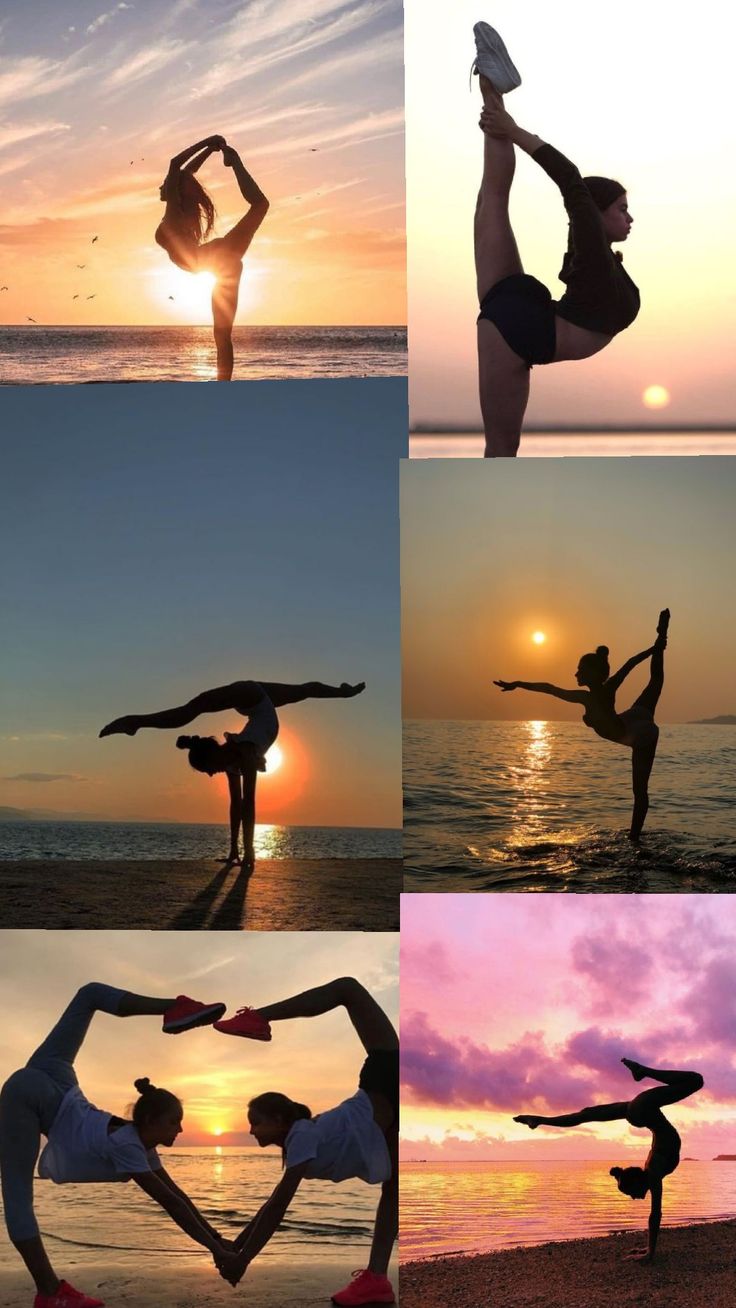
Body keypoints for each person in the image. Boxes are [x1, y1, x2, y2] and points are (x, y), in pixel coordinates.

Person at [0, 984, 230, 1308]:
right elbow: (172, 1204)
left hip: (57, 1073)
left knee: (90, 994)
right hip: (34, 1096)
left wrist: (219, 1242)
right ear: (150, 1121)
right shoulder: (129, 1147)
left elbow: (179, 1196)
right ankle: (49, 1293)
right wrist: (219, 1252)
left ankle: (175, 1007)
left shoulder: (142, 1146)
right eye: (173, 1121)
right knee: (17, 1198)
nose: (180, 1128)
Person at [472, 23, 639, 455]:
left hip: (527, 316)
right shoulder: (593, 250)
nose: (630, 217)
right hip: (521, 332)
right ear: (597, 215)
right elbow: (571, 182)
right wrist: (517, 133)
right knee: (501, 451)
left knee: (491, 201)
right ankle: (497, 101)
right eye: (621, 208)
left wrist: (507, 127)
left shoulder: (599, 260)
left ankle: (492, 85)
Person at [211, 977, 398, 1306]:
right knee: (393, 1192)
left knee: (348, 989)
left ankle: (259, 1017)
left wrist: (243, 1259)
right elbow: (270, 1206)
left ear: (279, 1120)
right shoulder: (300, 1139)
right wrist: (234, 1246)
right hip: (386, 1116)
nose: (251, 1131)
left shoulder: (301, 1136)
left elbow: (277, 1205)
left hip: (385, 1081)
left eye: (256, 1123)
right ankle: (376, 1279)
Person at [100, 678, 365, 869]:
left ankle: (135, 722)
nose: (211, 774)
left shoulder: (246, 753)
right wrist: (234, 851)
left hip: (249, 694)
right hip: (257, 701)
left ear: (214, 754)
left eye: (208, 769)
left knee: (193, 709)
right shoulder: (236, 759)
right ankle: (343, 692)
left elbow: (249, 804)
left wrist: (250, 852)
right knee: (303, 691)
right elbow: (236, 805)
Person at [494, 610, 669, 840]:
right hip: (632, 718)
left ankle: (634, 840)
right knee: (655, 682)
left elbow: (550, 688)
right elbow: (629, 664)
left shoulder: (589, 697)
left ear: (593, 674)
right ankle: (661, 636)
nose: (576, 673)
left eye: (580, 670)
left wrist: (517, 683)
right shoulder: (600, 691)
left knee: (640, 791)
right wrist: (654, 649)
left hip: (638, 733)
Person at [514, 1058, 704, 1261]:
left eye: (631, 1193)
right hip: (640, 1111)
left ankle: (642, 1071)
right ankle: (540, 1120)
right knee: (586, 1115)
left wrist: (651, 1253)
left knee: (696, 1080)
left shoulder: (655, 1171)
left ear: (639, 1182)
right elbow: (654, 1214)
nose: (633, 1198)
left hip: (642, 1109)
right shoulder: (653, 1170)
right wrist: (649, 1249)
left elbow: (655, 1215)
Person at [155, 135, 269, 380]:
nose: (161, 186)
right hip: (223, 263)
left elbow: (176, 165)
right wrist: (210, 149)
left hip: (215, 258)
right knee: (222, 333)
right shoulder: (182, 210)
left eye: (166, 183)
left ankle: (235, 160)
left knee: (222, 333)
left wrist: (210, 142)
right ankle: (223, 386)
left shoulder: (174, 210)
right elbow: (186, 171)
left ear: (175, 188)